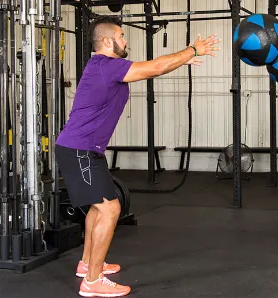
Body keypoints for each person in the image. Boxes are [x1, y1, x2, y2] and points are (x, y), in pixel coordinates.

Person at [55, 16, 221, 297]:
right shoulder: (106, 66)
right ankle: (93, 282)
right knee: (110, 209)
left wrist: (180, 60)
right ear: (107, 41)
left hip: (85, 150)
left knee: (99, 208)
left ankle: (87, 265)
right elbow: (154, 67)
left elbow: (151, 70)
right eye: (121, 35)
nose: (125, 40)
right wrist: (191, 51)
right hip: (79, 150)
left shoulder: (105, 67)